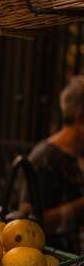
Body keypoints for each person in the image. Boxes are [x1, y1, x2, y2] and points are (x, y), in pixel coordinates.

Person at [20, 76, 84, 252]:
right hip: (55, 263)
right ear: (80, 117)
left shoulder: (78, 154)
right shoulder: (45, 158)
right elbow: (31, 223)